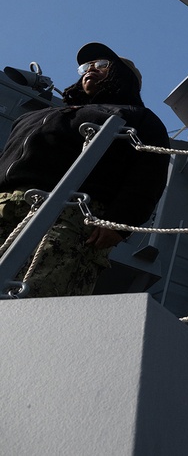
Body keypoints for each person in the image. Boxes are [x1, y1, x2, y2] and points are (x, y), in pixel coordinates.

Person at [0, 42, 169, 297]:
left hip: (72, 215)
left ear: (125, 77)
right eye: (87, 66)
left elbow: (149, 176)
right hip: (6, 203)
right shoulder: (36, 116)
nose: (92, 69)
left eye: (102, 65)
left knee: (38, 296)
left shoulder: (138, 118)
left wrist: (119, 222)